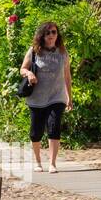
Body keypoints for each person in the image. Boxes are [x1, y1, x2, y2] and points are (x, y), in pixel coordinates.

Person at [20, 22, 73, 174]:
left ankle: (52, 163)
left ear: (58, 35)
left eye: (54, 32)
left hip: (57, 96)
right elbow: (22, 68)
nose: (51, 35)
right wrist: (29, 73)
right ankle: (37, 161)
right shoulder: (34, 51)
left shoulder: (63, 53)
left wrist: (70, 97)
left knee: (54, 126)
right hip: (37, 97)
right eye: (47, 33)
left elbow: (67, 77)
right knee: (35, 132)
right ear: (42, 36)